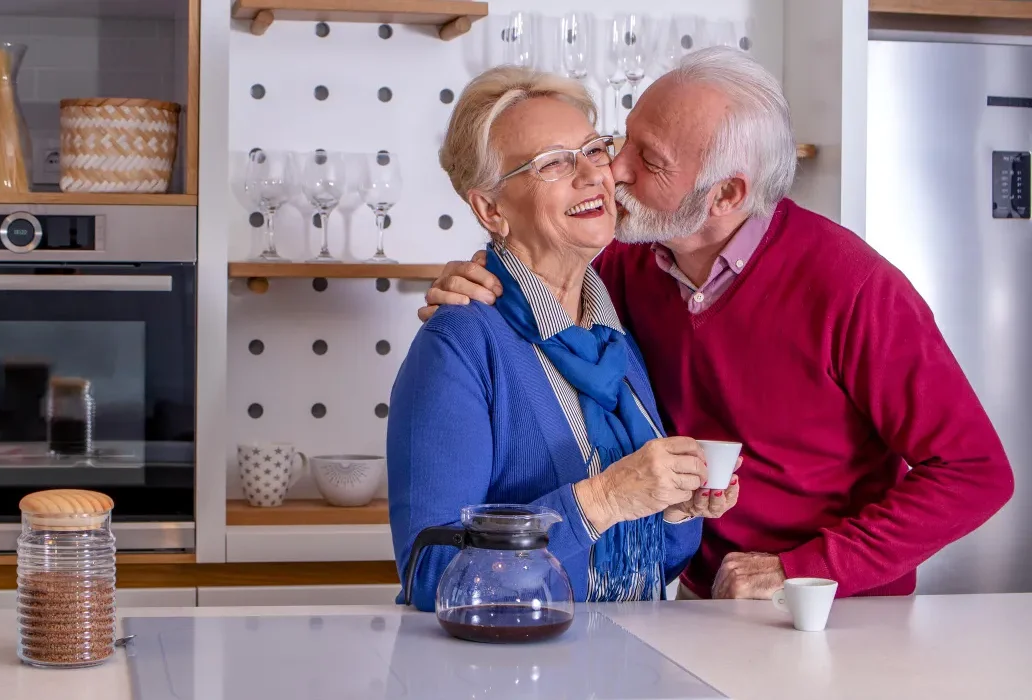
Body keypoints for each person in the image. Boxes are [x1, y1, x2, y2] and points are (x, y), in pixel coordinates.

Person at [418, 46, 1015, 600]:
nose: (613, 171)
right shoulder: (628, 266)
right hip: (699, 610)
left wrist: (801, 569)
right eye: (618, 142)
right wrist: (481, 274)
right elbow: (536, 261)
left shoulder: (853, 288)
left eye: (648, 160)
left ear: (725, 195)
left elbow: (975, 473)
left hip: (835, 614)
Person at [388, 65, 742, 613]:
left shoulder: (612, 338)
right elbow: (432, 576)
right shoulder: (459, 342)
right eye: (552, 162)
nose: (591, 175)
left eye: (594, 150)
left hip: (627, 664)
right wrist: (606, 498)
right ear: (489, 209)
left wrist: (676, 506)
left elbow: (648, 569)